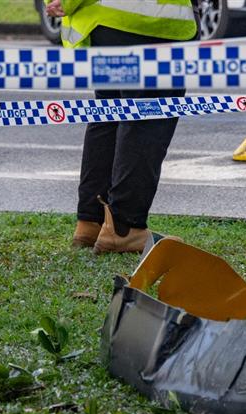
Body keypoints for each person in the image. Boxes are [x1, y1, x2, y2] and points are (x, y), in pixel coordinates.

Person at [45, 0, 197, 254]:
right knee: (147, 120)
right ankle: (125, 228)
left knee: (109, 114)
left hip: (102, 22)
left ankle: (92, 222)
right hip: (148, 23)